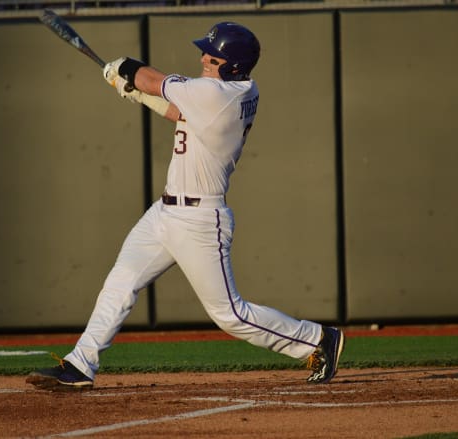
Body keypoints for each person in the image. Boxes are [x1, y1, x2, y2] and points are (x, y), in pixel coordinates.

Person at [26, 22, 345, 391]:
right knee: (121, 281)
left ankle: (318, 339)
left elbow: (148, 77)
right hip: (165, 212)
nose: (203, 59)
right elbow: (179, 111)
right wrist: (137, 94)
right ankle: (81, 364)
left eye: (211, 57)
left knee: (230, 314)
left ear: (230, 66)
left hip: (199, 220)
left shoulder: (215, 93)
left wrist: (122, 70)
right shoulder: (229, 92)